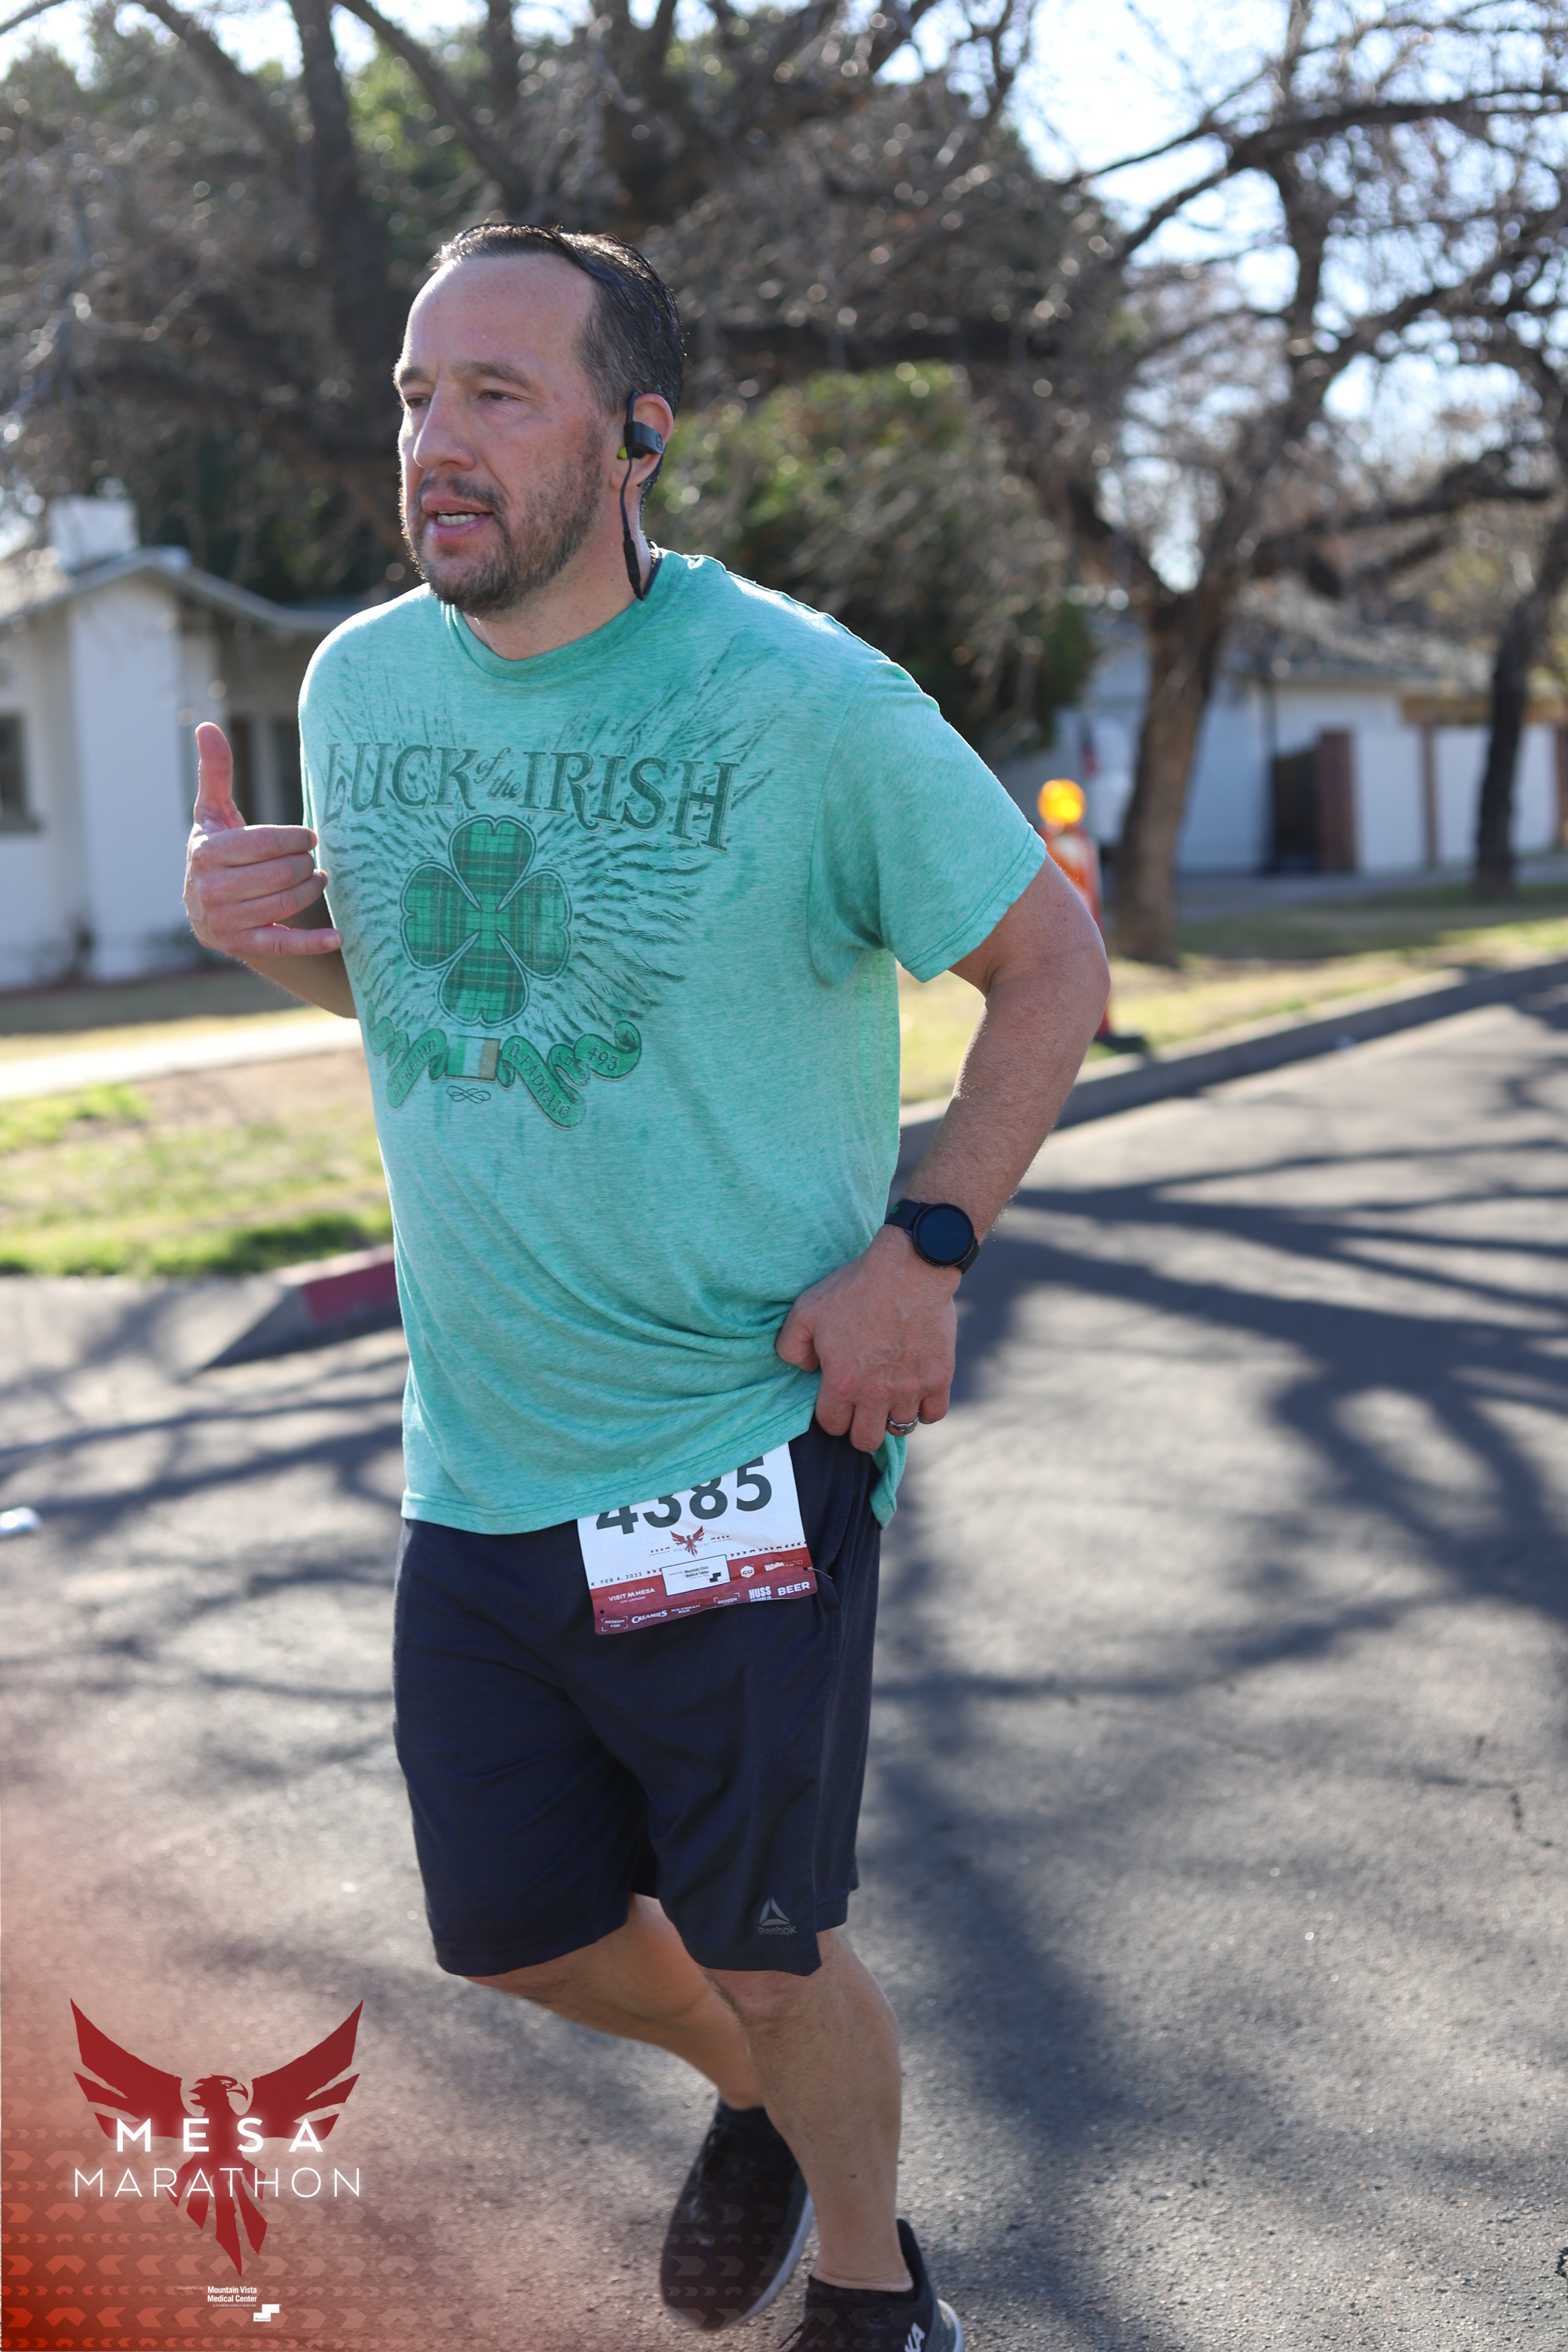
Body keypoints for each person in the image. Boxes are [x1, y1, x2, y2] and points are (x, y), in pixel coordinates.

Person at [184, 225, 1108, 2349]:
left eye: (499, 395)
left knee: (769, 1947)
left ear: (636, 439)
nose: (436, 440)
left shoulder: (804, 702)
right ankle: (759, 2091)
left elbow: (1053, 961)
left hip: (738, 1441)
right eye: (417, 396)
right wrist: (271, 943)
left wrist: (927, 1245)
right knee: (512, 1934)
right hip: (482, 1454)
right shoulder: (360, 689)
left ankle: (875, 2296)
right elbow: (448, 1007)